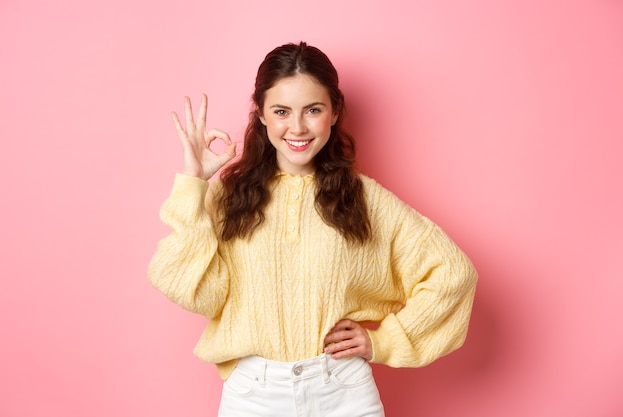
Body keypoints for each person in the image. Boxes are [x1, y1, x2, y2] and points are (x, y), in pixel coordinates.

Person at [148, 41, 477, 417]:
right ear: (260, 115)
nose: (297, 127)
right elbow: (189, 287)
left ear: (334, 112)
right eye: (282, 111)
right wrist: (194, 182)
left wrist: (383, 341)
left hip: (342, 391)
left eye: (313, 110)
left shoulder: (366, 199)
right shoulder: (227, 197)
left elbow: (454, 273)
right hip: (254, 395)